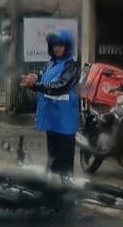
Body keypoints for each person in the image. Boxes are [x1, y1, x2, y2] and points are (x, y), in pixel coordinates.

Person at [20, 29, 81, 177]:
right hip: (52, 120)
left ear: (67, 47)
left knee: (64, 163)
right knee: (53, 160)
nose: (57, 48)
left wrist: (36, 85)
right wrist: (36, 78)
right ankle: (54, 191)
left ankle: (66, 193)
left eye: (60, 45)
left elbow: (60, 86)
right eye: (54, 45)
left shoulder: (72, 66)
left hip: (65, 122)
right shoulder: (51, 64)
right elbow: (46, 79)